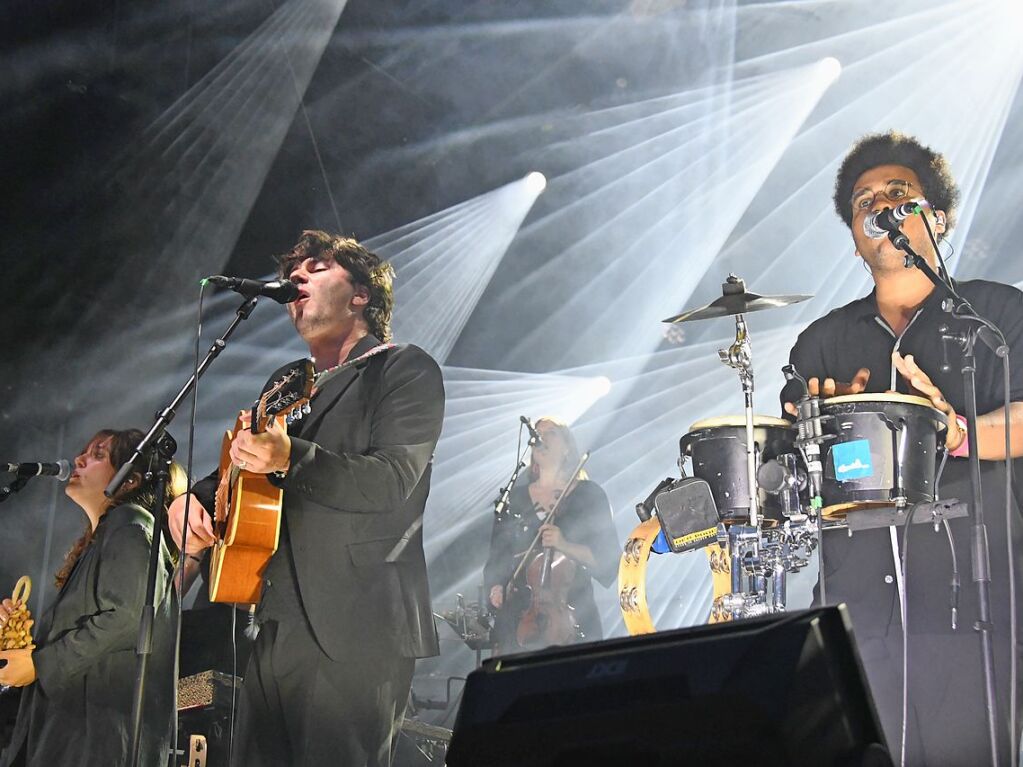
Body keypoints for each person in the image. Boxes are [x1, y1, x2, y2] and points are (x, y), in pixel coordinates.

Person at [780, 131, 1023, 764]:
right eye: (863, 200)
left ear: (936, 218)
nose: (878, 204)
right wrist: (816, 434)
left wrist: (959, 431)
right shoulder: (821, 345)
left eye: (898, 193)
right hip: (856, 605)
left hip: (973, 603)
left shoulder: (995, 317)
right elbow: (794, 477)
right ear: (855, 235)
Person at [168, 230, 445, 767]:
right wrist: (195, 499)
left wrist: (290, 458)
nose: (297, 279)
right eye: (294, 272)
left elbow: (391, 481)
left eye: (316, 269)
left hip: (357, 623)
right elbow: (240, 462)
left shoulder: (403, 368)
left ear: (361, 294)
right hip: (272, 620)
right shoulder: (287, 381)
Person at [0, 428, 181, 767]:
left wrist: (41, 664)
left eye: (98, 454)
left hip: (95, 740)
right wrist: (19, 640)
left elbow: (126, 617)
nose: (79, 459)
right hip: (74, 734)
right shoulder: (109, 535)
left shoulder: (131, 525)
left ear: (130, 481)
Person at [483, 417, 619, 654]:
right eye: (537, 434)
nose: (541, 439)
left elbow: (608, 561)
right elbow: (497, 558)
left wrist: (563, 545)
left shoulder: (589, 496)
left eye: (551, 433)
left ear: (567, 447)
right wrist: (496, 587)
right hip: (519, 622)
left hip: (572, 620)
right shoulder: (513, 500)